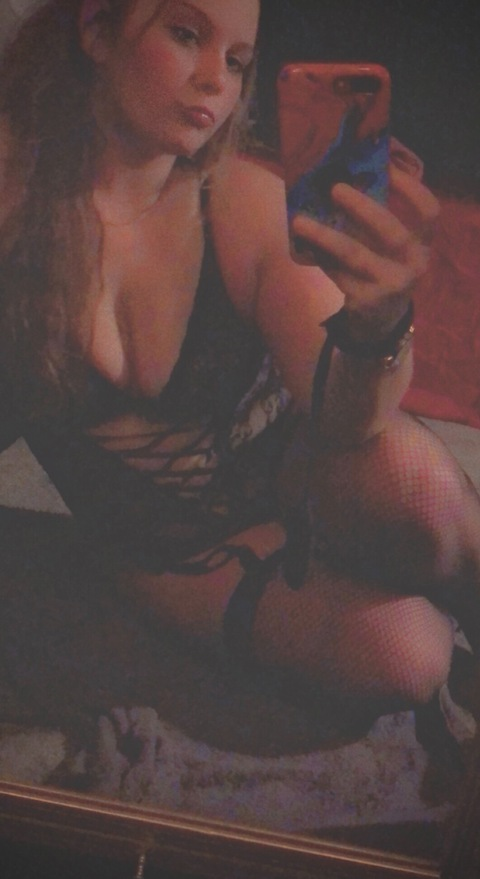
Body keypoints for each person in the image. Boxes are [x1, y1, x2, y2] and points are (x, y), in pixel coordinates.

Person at [0, 0, 479, 736]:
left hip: (302, 473)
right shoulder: (15, 208)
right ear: (96, 30)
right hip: (169, 552)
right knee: (408, 655)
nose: (214, 81)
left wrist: (376, 323)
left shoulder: (240, 199)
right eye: (186, 34)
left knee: (425, 492)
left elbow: (345, 420)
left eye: (237, 62)